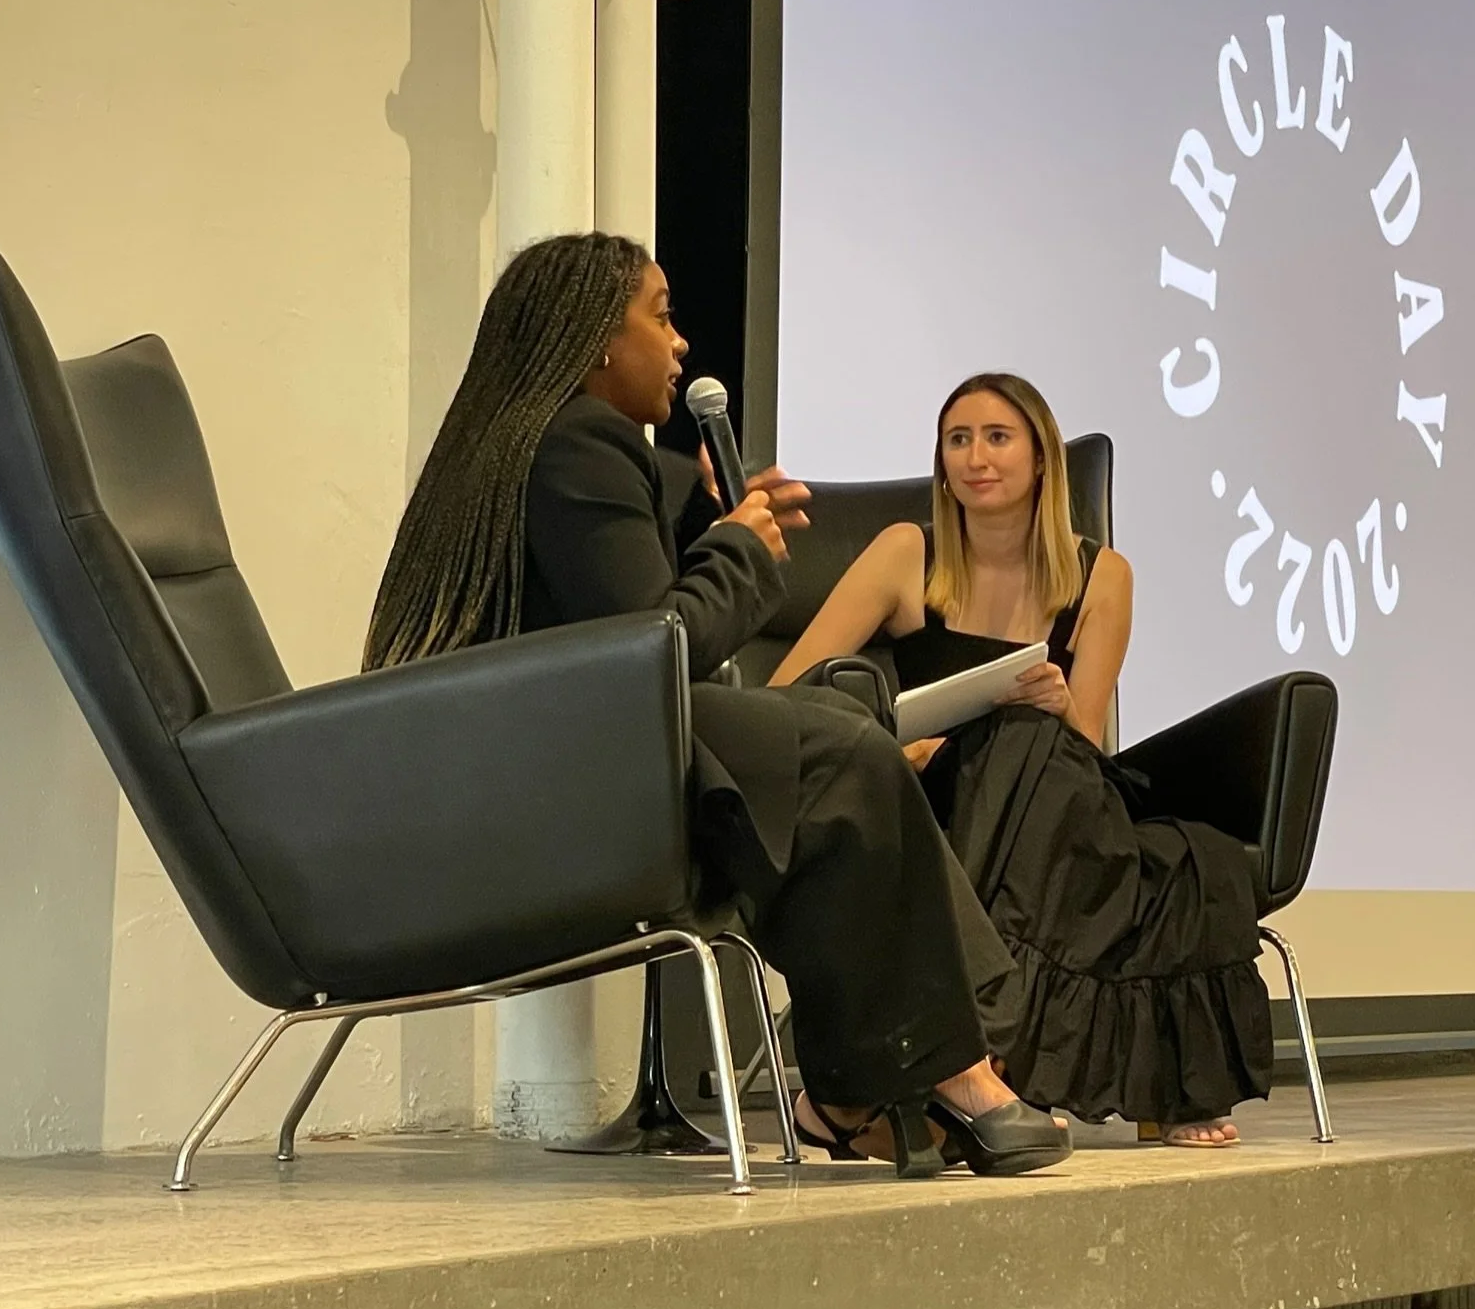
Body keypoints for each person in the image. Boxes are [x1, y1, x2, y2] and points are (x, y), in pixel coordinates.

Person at [364, 233, 1071, 1177]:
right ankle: (923, 1075)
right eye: (659, 316)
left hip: (523, 775)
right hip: (570, 787)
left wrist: (713, 527)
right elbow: (651, 655)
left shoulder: (525, 444)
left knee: (833, 752)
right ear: (597, 344)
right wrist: (737, 549)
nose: (681, 342)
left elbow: (611, 624)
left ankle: (890, 1080)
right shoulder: (578, 441)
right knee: (837, 752)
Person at [770, 373, 1273, 1146]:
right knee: (1004, 745)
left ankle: (963, 1067)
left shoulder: (1101, 575)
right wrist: (896, 750)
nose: (975, 457)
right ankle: (976, 1068)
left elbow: (1087, 734)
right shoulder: (906, 553)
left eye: (997, 437)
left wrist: (1053, 701)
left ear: (1042, 459)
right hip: (928, 792)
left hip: (1056, 792)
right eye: (958, 440)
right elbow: (786, 693)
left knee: (1132, 816)